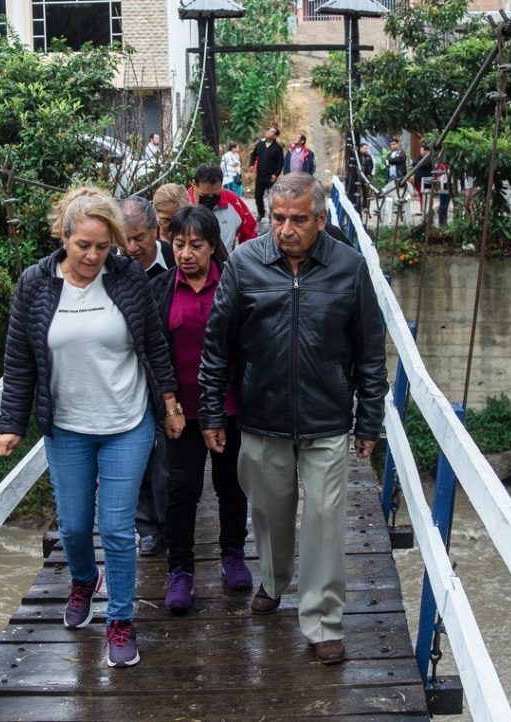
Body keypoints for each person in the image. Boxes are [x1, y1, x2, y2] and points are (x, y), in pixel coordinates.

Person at [197, 174, 388, 666]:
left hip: (327, 420)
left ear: (321, 220)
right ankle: (274, 579)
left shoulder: (349, 267)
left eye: (298, 219)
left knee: (324, 521)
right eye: (278, 218)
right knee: (268, 513)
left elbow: (369, 350)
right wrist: (212, 410)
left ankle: (323, 621)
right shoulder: (243, 264)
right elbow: (217, 346)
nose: (286, 229)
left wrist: (368, 419)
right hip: (262, 416)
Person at [0, 186, 186, 668]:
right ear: (65, 237)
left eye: (103, 247)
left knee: (118, 528)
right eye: (84, 245)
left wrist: (169, 402)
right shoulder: (35, 284)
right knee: (76, 527)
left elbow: (153, 345)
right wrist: (11, 422)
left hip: (127, 420)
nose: (93, 256)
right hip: (67, 427)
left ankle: (120, 620)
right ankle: (83, 579)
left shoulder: (126, 279)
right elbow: (20, 359)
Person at [149, 205, 252, 614]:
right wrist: (168, 403)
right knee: (182, 490)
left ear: (213, 247)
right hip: (180, 411)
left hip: (228, 407)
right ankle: (180, 570)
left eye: (196, 245)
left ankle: (232, 554)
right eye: (178, 245)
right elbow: (154, 353)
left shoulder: (232, 285)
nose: (186, 253)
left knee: (231, 484)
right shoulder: (160, 290)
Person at [118, 197, 175, 557]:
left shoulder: (179, 257)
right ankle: (148, 528)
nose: (131, 247)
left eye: (139, 237)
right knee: (137, 455)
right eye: (124, 238)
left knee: (169, 458)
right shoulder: (111, 268)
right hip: (130, 378)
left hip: (172, 375)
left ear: (156, 230)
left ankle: (172, 524)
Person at [187, 163, 257, 255]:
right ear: (194, 185)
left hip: (224, 265)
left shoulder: (234, 202)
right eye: (205, 196)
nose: (210, 198)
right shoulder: (183, 203)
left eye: (215, 195)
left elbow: (250, 234)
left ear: (221, 186)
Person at [249, 126, 285, 221]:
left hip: (271, 177)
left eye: (272, 132)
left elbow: (280, 163)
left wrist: (276, 175)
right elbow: (253, 154)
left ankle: (272, 215)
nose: (268, 132)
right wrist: (252, 165)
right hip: (260, 175)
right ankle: (261, 213)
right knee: (258, 195)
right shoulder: (260, 144)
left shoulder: (278, 148)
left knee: (272, 198)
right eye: (268, 130)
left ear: (275, 136)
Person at [413, 143, 433, 216]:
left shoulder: (430, 157)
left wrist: (419, 164)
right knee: (421, 195)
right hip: (419, 179)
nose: (420, 151)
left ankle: (428, 210)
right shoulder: (420, 157)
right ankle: (422, 210)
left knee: (429, 195)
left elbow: (425, 164)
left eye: (422, 150)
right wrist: (419, 163)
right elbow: (413, 163)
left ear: (427, 151)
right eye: (420, 150)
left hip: (428, 178)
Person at [358, 143, 375, 216]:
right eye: (365, 148)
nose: (366, 150)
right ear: (360, 148)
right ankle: (358, 206)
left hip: (366, 177)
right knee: (358, 192)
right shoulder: (357, 156)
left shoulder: (369, 156)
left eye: (367, 148)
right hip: (358, 177)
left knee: (366, 193)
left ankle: (365, 207)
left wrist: (371, 174)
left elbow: (372, 165)